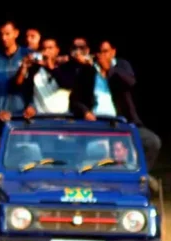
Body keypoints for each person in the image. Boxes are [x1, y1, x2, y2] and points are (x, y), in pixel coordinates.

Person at [68, 40, 161, 170]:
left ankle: (139, 174)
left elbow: (130, 82)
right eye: (99, 52)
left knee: (152, 142)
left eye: (105, 51)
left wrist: (109, 70)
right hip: (96, 123)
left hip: (122, 122)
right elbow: (74, 100)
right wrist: (85, 112)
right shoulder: (87, 71)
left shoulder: (121, 66)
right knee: (85, 151)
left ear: (113, 52)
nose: (102, 55)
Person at [17, 36, 71, 115]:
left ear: (57, 50)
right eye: (44, 48)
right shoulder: (34, 69)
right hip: (41, 116)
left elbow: (67, 85)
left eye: (50, 48)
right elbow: (19, 84)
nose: (46, 51)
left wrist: (50, 67)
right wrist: (24, 66)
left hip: (63, 115)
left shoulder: (65, 67)